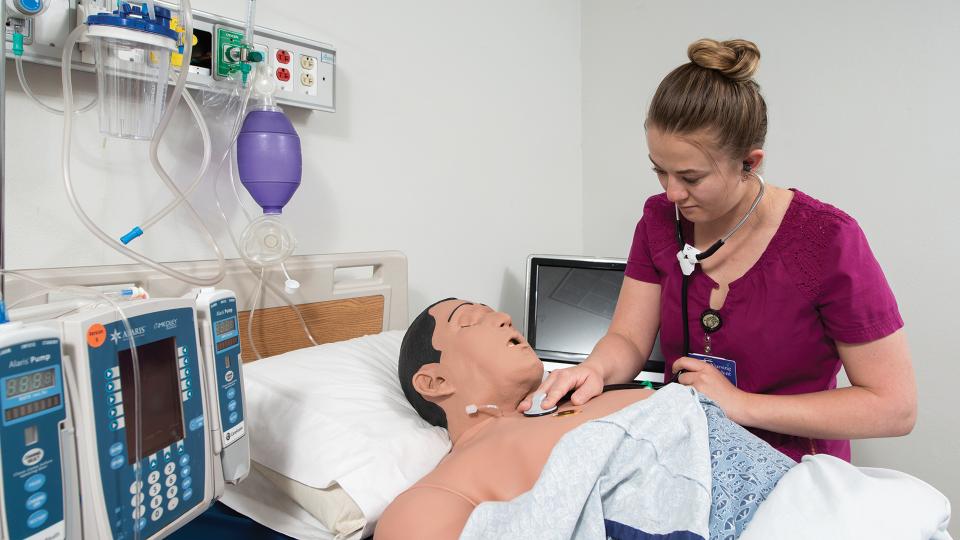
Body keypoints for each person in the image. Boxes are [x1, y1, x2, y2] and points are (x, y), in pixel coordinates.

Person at [518, 38, 916, 462]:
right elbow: (628, 339)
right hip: (684, 454)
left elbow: (894, 407)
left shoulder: (828, 240)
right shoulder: (659, 222)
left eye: (691, 177)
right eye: (660, 171)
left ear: (750, 162)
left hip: (795, 470)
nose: (672, 193)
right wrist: (593, 370)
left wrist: (740, 404)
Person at [377, 298, 794, 540]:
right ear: (433, 382)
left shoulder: (582, 395)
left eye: (494, 312)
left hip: (809, 487)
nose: (503, 318)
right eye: (470, 321)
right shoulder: (440, 490)